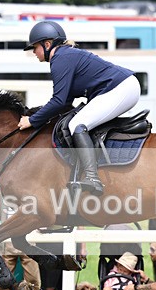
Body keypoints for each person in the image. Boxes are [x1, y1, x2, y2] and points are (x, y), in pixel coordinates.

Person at [17, 21, 141, 196]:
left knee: (77, 125)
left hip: (121, 88)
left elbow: (58, 101)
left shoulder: (60, 58)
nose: (34, 53)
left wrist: (32, 120)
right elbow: (65, 102)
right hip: (122, 87)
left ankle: (92, 177)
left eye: (34, 47)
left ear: (47, 44)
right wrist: (36, 114)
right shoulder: (64, 56)